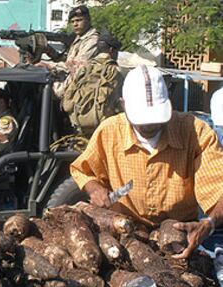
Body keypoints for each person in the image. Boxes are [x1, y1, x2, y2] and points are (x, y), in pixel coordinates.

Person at [70, 65, 223, 260]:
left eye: (156, 118)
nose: (149, 125)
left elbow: (220, 190)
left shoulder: (195, 133)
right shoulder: (109, 131)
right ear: (123, 105)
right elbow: (83, 170)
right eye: (142, 120)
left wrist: (208, 224)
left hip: (179, 236)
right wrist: (94, 189)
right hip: (126, 232)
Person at [62, 32, 123, 136]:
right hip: (105, 129)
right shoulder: (115, 71)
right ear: (112, 50)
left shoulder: (84, 69)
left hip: (79, 127)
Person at [42, 5, 100, 98]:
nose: (75, 24)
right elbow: (67, 60)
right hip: (72, 82)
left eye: (79, 20)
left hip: (83, 87)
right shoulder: (78, 39)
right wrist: (49, 51)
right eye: (72, 22)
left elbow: (77, 65)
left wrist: (49, 66)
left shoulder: (93, 40)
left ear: (88, 20)